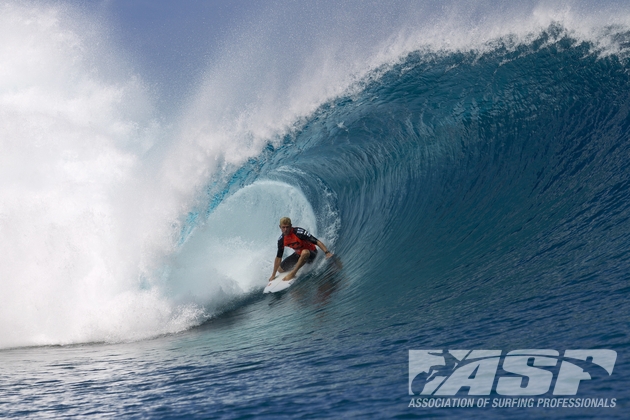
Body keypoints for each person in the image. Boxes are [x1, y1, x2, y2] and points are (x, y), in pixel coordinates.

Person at [270, 217, 333, 281]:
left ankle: (293, 273)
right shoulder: (281, 240)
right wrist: (273, 275)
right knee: (280, 269)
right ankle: (298, 266)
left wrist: (327, 252)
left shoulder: (299, 233)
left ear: (291, 226)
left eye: (287, 227)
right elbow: (278, 257)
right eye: (283, 227)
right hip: (298, 254)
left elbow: (317, 241)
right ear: (280, 227)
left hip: (311, 254)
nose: (285, 229)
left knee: (304, 252)